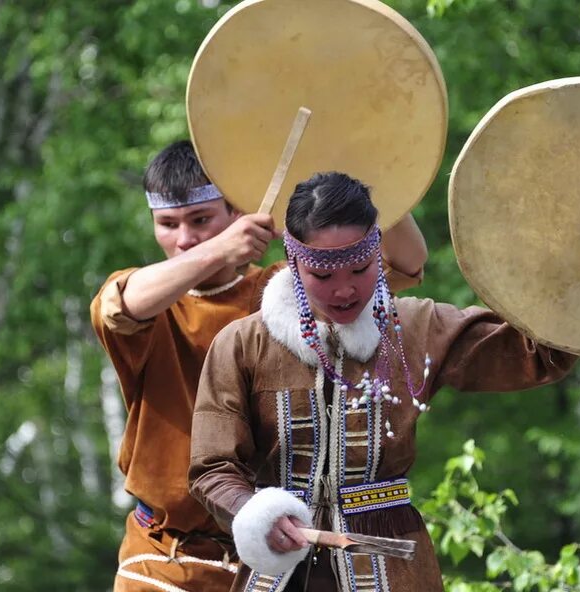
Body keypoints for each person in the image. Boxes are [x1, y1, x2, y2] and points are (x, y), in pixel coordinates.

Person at [189, 171, 579, 592]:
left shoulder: (414, 327)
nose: (344, 290)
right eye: (323, 276)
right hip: (280, 569)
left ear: (378, 251)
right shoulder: (242, 344)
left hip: (394, 566)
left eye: (359, 269)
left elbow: (539, 355)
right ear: (294, 259)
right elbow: (212, 467)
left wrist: (574, 268)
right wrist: (254, 513)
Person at [91, 144, 427, 592]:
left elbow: (405, 263)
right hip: (167, 554)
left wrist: (366, 169)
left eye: (201, 220)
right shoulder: (149, 299)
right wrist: (219, 250)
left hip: (281, 557)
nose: (185, 239)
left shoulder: (288, 291)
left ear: (237, 212)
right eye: (167, 224)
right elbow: (121, 306)